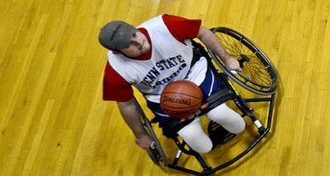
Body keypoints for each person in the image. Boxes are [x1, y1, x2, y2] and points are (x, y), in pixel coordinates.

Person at [99, 15, 247, 154]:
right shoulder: (115, 70)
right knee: (201, 146)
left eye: (134, 35)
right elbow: (127, 105)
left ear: (133, 26)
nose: (138, 42)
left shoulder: (165, 25)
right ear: (117, 52)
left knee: (228, 119)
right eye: (128, 45)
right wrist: (140, 135)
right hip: (162, 96)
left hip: (195, 74)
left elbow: (203, 33)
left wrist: (227, 59)